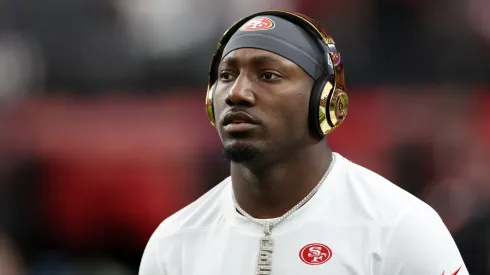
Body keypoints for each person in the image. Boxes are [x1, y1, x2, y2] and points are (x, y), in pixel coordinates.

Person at [139, 11, 469, 275]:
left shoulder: (400, 227)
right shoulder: (173, 243)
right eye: (226, 76)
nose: (237, 92)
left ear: (324, 101)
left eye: (268, 75)